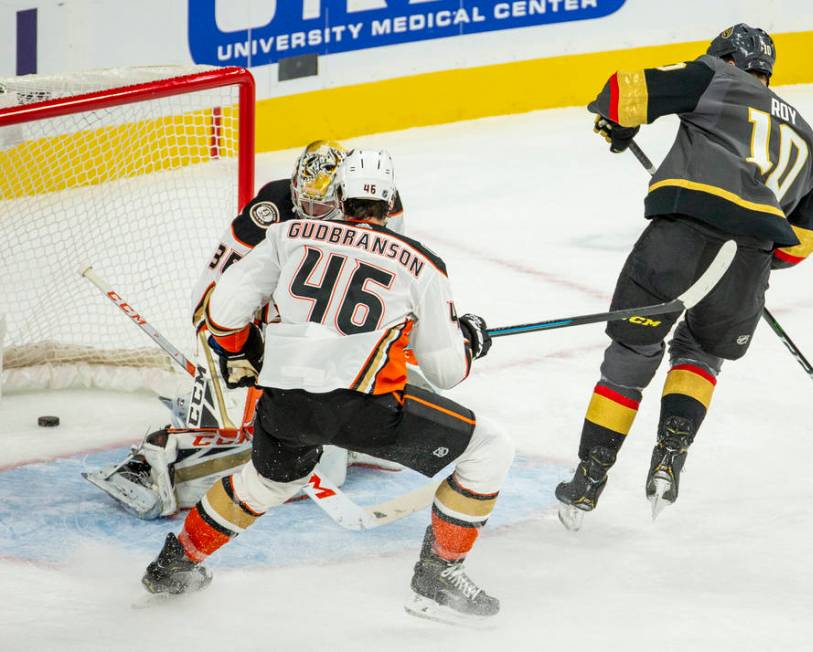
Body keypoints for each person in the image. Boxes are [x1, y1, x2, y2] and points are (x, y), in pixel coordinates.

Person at [141, 149, 514, 625]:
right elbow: (446, 372)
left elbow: (222, 314)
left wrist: (243, 354)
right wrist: (468, 340)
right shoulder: (422, 265)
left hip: (283, 407)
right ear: (391, 202)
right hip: (370, 414)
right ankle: (438, 577)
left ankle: (173, 566)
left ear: (339, 196)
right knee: (490, 450)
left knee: (268, 481)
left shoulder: (285, 234)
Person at [555, 24, 813, 526]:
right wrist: (752, 258)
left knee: (633, 350)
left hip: (681, 238)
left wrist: (619, 125)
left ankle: (589, 478)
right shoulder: (811, 140)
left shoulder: (716, 76)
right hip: (750, 261)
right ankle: (668, 461)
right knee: (700, 352)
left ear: (724, 56)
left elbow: (621, 92)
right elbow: (802, 243)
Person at [84, 141, 405, 519]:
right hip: (273, 313)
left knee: (355, 410)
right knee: (305, 454)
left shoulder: (378, 206)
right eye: (305, 202)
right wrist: (231, 348)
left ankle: (341, 432)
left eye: (321, 208)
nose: (310, 213)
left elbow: (389, 279)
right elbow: (213, 290)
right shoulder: (269, 212)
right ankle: (168, 454)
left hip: (333, 317)